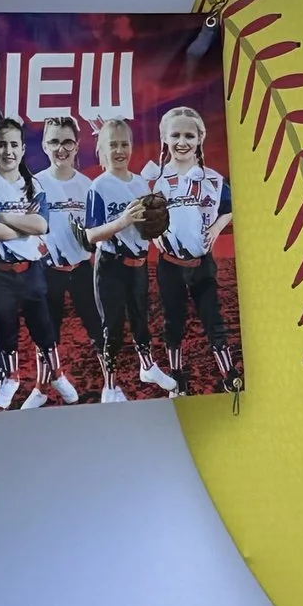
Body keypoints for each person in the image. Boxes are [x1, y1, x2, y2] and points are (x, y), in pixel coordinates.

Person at [147, 105, 238, 394]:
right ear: (164, 138)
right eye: (175, 135)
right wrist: (152, 234)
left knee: (213, 320)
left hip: (201, 264)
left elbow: (231, 207)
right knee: (173, 321)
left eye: (189, 135)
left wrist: (216, 228)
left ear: (200, 137)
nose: (182, 142)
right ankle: (177, 378)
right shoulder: (154, 180)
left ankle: (229, 376)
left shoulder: (213, 179)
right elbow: (143, 216)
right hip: (170, 265)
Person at [83, 117, 174, 400]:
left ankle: (147, 366)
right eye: (113, 145)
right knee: (112, 326)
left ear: (132, 147)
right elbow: (90, 235)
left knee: (140, 320)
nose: (119, 150)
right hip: (110, 265)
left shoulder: (140, 186)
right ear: (102, 149)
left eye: (124, 144)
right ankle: (110, 386)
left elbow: (148, 229)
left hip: (138, 265)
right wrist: (122, 221)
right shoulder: (98, 187)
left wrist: (160, 230)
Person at [0, 116, 61, 410]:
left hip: (32, 271)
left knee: (42, 326)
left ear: (23, 149)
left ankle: (57, 372)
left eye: (14, 144)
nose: (8, 151)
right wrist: (22, 224)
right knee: (6, 328)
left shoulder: (34, 184)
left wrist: (2, 216)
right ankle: (11, 377)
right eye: (2, 145)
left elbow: (41, 225)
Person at [31, 116, 99, 405]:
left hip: (83, 269)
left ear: (77, 145)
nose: (61, 148)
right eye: (55, 141)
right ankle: (41, 390)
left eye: (67, 141)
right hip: (48, 273)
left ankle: (110, 384)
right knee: (46, 332)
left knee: (99, 327)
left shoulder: (88, 186)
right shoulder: (33, 184)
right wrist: (41, 248)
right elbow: (28, 229)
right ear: (45, 145)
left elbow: (97, 231)